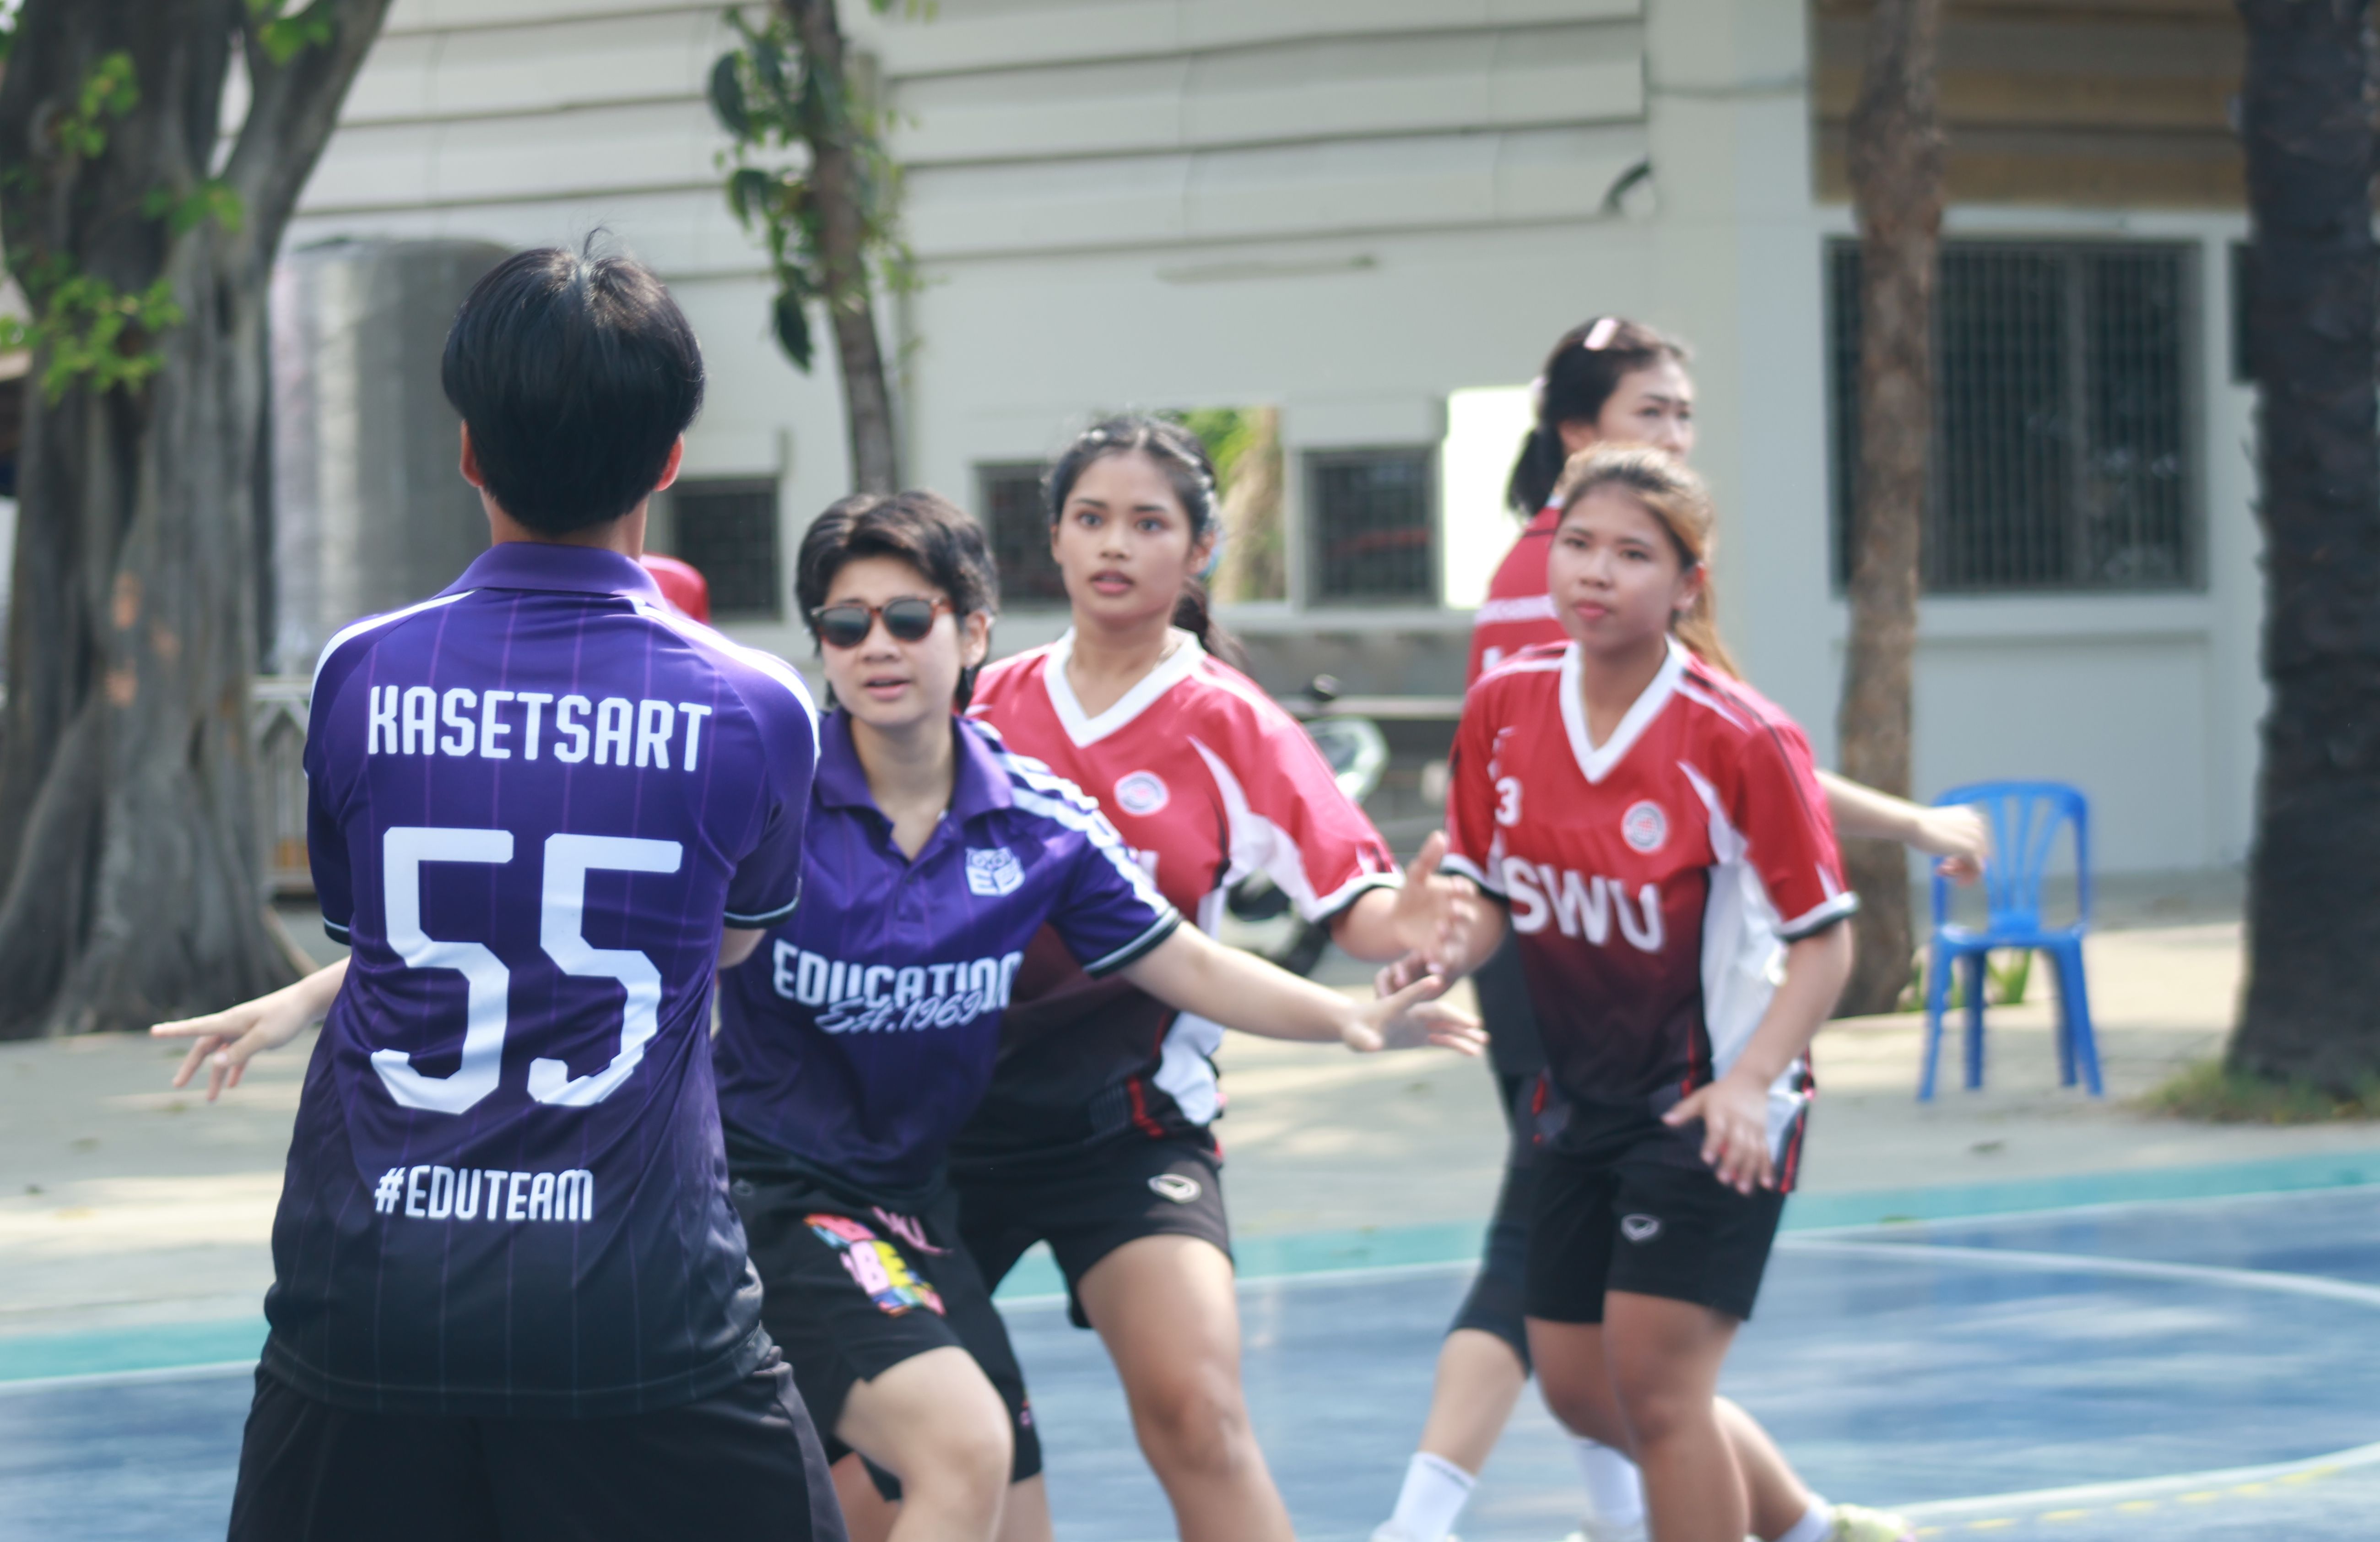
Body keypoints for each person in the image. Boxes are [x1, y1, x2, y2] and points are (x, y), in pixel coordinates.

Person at [148, 245, 845, 1542]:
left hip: (371, 1292)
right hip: (637, 1303)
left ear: (470, 450)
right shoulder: (758, 706)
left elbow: (378, 939)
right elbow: (729, 946)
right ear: (669, 460)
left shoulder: (360, 675)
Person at [721, 489, 1481, 1542]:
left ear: (971, 631)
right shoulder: (768, 796)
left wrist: (1347, 1019)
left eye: (907, 617)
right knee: (961, 1450)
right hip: (774, 1190)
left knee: (1005, 1511)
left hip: (913, 1202)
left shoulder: (1038, 823)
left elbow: (1187, 961)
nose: (876, 646)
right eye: (846, 624)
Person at [1371, 317, 1963, 1542]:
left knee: (1658, 1386)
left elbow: (1825, 942)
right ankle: (1806, 1527)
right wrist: (1439, 943)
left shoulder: (1737, 735)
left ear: (1687, 584)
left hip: (1708, 1101)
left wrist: (1751, 1082)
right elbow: (1489, 895)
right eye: (1578, 544)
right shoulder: (1504, 709)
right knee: (1581, 1387)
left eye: (1632, 554)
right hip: (1579, 1098)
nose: (1595, 572)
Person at [951, 416, 1464, 1542]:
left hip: (1130, 1127)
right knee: (893, 1444)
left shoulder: (1230, 719)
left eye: (1148, 523)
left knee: (1199, 1415)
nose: (1114, 544)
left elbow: (1355, 900)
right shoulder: (982, 706)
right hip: (947, 1123)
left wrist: (1413, 922)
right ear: (1054, 537)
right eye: (1091, 518)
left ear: (1200, 550)